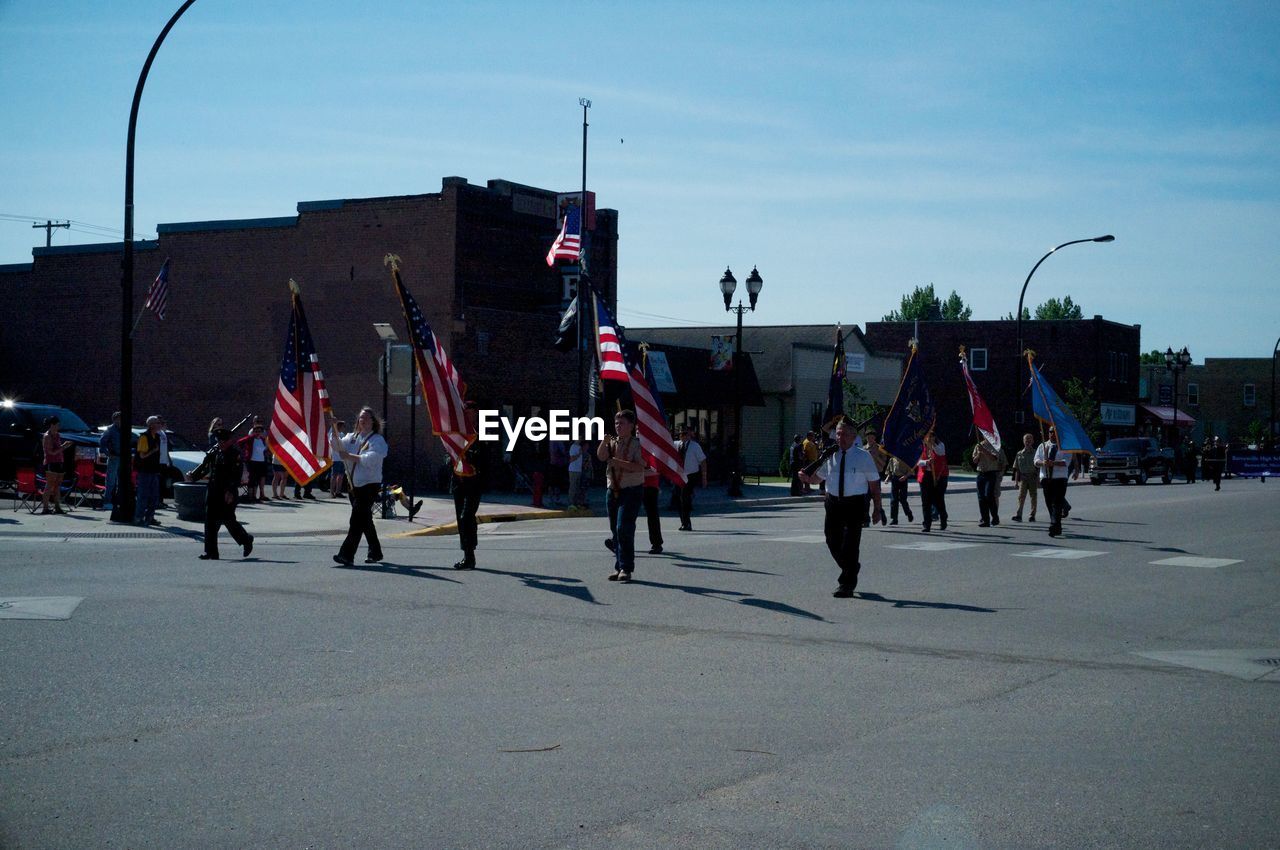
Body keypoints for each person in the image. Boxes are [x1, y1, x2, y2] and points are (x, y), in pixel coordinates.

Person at [798, 418, 884, 598]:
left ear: (853, 436)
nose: (840, 437)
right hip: (833, 503)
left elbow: (874, 484)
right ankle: (851, 567)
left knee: (851, 545)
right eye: (838, 433)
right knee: (832, 540)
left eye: (844, 434)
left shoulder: (863, 456)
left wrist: (877, 508)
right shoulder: (831, 455)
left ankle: (846, 584)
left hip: (855, 504)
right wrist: (807, 479)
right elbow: (818, 478)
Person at [330, 407, 387, 566]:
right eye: (361, 418)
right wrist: (334, 430)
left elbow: (372, 459)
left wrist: (350, 457)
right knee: (365, 520)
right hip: (353, 485)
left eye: (367, 418)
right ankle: (375, 552)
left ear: (373, 421)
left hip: (369, 485)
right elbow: (337, 446)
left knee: (356, 520)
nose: (363, 421)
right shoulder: (352, 437)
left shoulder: (377, 440)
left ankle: (346, 555)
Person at [186, 427, 254, 560]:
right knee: (209, 521)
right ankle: (211, 552)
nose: (221, 443)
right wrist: (193, 476)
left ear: (230, 441)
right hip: (213, 489)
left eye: (224, 441)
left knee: (228, 520)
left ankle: (246, 540)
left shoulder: (235, 454)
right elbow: (206, 468)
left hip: (227, 491)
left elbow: (236, 475)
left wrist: (230, 492)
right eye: (219, 441)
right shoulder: (215, 452)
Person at [598, 409, 646, 582]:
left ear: (631, 426)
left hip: (631, 490)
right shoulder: (613, 442)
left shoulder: (637, 444)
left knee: (623, 528)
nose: (618, 426)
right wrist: (604, 443)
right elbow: (602, 456)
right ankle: (619, 566)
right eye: (617, 423)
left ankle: (626, 568)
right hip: (613, 490)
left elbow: (639, 467)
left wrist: (618, 462)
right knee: (615, 531)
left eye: (622, 423)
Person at [451, 403, 483, 570]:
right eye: (465, 413)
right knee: (462, 520)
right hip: (459, 483)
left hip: (474, 483)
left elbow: (484, 457)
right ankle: (468, 555)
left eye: (471, 413)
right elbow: (449, 454)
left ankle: (470, 553)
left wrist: (467, 456)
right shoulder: (457, 435)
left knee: (466, 516)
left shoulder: (481, 433)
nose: (468, 416)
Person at [1034, 426, 1072, 537]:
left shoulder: (1065, 446)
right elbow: (1036, 460)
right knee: (1049, 502)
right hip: (1046, 477)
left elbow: (1066, 462)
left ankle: (1054, 524)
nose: (1052, 434)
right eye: (1051, 432)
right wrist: (1043, 463)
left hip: (1059, 478)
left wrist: (1053, 463)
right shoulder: (1043, 445)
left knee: (1057, 502)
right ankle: (1057, 525)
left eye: (1055, 432)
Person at [675, 423, 708, 531]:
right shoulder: (676, 444)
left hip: (691, 475)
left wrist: (704, 477)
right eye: (681, 434)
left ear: (689, 435)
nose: (683, 436)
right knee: (679, 499)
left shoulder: (695, 446)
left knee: (685, 498)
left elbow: (703, 461)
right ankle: (683, 522)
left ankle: (687, 523)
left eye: (685, 434)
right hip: (679, 475)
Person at [916, 432, 949, 532]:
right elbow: (917, 462)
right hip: (926, 475)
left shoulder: (940, 445)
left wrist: (932, 445)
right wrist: (926, 462)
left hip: (939, 475)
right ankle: (927, 524)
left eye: (932, 436)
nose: (930, 438)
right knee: (926, 501)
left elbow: (940, 453)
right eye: (928, 437)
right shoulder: (920, 447)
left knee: (938, 499)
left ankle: (943, 518)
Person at [134, 415, 163, 526]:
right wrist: (153, 450)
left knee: (154, 496)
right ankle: (138, 517)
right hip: (145, 470)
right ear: (151, 425)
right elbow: (142, 455)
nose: (159, 424)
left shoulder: (157, 437)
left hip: (154, 470)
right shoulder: (144, 437)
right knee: (143, 495)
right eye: (157, 422)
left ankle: (150, 517)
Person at [40, 416, 72, 514]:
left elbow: (58, 449)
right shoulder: (47, 436)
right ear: (52, 425)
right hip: (51, 462)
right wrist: (64, 447)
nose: (59, 426)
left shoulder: (57, 435)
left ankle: (57, 507)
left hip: (59, 461)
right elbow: (51, 452)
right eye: (57, 424)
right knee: (49, 485)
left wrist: (63, 446)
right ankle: (45, 508)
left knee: (57, 485)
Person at [973, 438, 1004, 527]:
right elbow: (975, 461)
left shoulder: (995, 445)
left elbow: (994, 458)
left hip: (990, 473)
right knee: (981, 497)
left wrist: (984, 451)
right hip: (981, 473)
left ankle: (995, 517)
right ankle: (985, 520)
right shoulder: (978, 445)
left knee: (989, 495)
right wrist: (978, 454)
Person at [239, 418, 270, 502]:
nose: (257, 433)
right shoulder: (250, 438)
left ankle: (255, 496)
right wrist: (245, 449)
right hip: (252, 462)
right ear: (253, 432)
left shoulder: (263, 440)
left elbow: (266, 449)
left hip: (261, 462)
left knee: (258, 479)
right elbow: (240, 442)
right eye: (256, 431)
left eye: (259, 431)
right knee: (252, 479)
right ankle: (250, 497)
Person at [99, 411, 124, 512]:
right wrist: (108, 453)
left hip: (122, 458)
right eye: (119, 418)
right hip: (114, 458)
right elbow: (102, 442)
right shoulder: (110, 429)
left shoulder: (123, 429)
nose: (121, 420)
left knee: (120, 481)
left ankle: (117, 501)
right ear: (115, 419)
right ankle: (107, 501)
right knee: (111, 481)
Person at [1011, 433, 1038, 522]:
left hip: (1033, 477)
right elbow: (1017, 469)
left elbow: (1039, 468)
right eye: (1026, 440)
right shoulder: (1019, 454)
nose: (1028, 442)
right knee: (1021, 497)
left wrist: (1039, 479)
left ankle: (1032, 515)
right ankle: (1019, 515)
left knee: (1033, 496)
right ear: (1023, 441)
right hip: (1023, 478)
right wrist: (1016, 482)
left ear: (1033, 441)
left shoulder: (1036, 453)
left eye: (1029, 440)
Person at [863, 431, 888, 526]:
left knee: (876, 497)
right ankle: (866, 520)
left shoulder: (879, 448)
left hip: (875, 475)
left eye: (872, 437)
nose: (870, 439)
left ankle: (881, 513)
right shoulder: (863, 448)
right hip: (865, 476)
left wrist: (875, 456)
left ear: (874, 438)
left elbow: (884, 462)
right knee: (866, 499)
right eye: (868, 437)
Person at [883, 453, 914, 525]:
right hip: (895, 479)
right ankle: (894, 519)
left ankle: (908, 513)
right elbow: (890, 471)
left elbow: (911, 470)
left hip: (903, 479)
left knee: (903, 499)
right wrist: (887, 478)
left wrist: (905, 477)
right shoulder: (892, 458)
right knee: (894, 500)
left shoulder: (906, 458)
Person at [642, 460, 664, 554]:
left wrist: (636, 472)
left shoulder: (653, 449)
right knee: (626, 514)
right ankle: (617, 540)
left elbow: (658, 469)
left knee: (652, 515)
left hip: (650, 485)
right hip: (632, 483)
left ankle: (656, 543)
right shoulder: (633, 446)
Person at [329, 419, 347, 497]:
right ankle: (332, 492)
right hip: (336, 458)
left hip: (342, 459)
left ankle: (338, 491)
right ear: (339, 427)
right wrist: (333, 424)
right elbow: (333, 436)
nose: (344, 428)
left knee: (341, 476)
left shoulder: (342, 434)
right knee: (334, 476)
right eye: (343, 426)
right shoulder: (333, 434)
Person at [567, 439, 587, 509]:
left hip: (578, 470)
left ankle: (576, 503)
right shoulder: (573, 447)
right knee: (573, 487)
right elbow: (571, 458)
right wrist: (579, 454)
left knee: (577, 487)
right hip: (573, 469)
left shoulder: (579, 447)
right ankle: (571, 503)